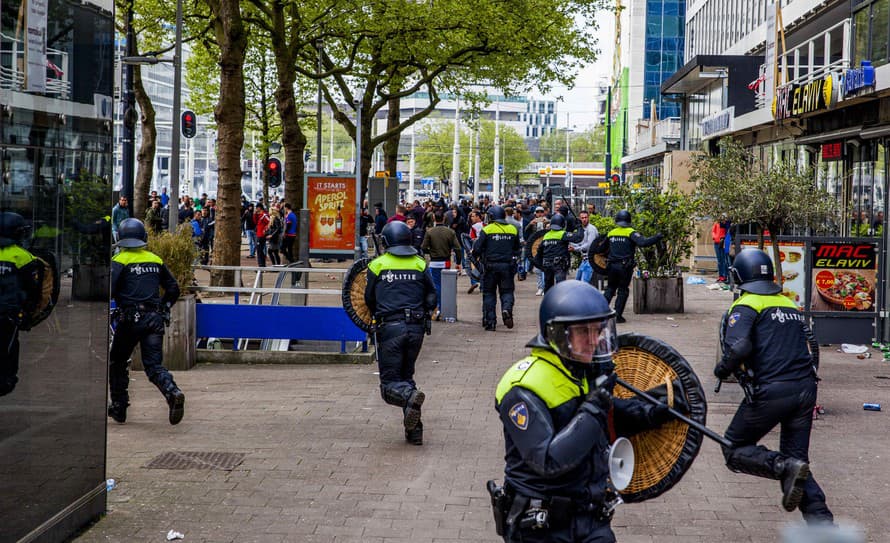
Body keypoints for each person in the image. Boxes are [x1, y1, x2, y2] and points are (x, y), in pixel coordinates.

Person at [492, 280, 684, 542]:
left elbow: (606, 418)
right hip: (541, 527)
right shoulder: (522, 387)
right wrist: (595, 405)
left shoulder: (578, 369)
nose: (594, 341)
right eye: (583, 332)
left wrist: (654, 409)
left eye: (599, 331)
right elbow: (548, 461)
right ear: (557, 333)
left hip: (591, 517)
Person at [715, 249, 834, 525]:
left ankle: (781, 466)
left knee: (733, 447)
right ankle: (822, 524)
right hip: (805, 389)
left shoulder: (745, 304)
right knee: (798, 463)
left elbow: (739, 346)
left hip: (772, 391)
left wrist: (721, 370)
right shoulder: (787, 302)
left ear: (738, 276)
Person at [364, 221, 437, 445]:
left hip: (390, 328)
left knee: (390, 385)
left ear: (386, 241)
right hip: (416, 329)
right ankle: (414, 433)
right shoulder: (419, 263)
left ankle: (408, 397)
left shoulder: (377, 265)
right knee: (406, 377)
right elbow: (432, 296)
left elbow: (368, 298)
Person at [108, 219, 185, 425]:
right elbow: (173, 289)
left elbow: (110, 290)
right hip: (154, 319)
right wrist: (164, 306)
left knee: (117, 361)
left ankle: (119, 407)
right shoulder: (155, 259)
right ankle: (172, 391)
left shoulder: (119, 260)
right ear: (144, 238)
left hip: (130, 320)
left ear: (120, 238)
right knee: (153, 366)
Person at [594, 210, 662, 324]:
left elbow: (600, 249)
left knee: (610, 289)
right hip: (624, 268)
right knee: (622, 290)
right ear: (629, 220)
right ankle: (617, 316)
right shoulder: (631, 232)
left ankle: (600, 314)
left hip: (611, 266)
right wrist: (657, 237)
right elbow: (643, 243)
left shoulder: (611, 233)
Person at [0, 212, 42, 397]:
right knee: (7, 363)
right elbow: (34, 292)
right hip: (8, 318)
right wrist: (28, 315)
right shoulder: (24, 258)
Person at [472, 205, 520, 331]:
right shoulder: (513, 229)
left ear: (492, 216)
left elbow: (477, 249)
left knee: (489, 293)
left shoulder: (487, 229)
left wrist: (475, 257)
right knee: (507, 292)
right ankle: (506, 309)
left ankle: (490, 322)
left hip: (490, 267)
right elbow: (517, 248)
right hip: (507, 267)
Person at [421, 211, 462, 319]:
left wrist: (431, 252)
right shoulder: (450, 232)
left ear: (434, 218)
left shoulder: (430, 232)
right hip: (446, 261)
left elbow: (424, 247)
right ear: (444, 218)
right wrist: (458, 262)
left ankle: (438, 307)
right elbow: (457, 248)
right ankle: (445, 308)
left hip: (434, 262)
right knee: (446, 285)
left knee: (436, 286)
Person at [533, 214, 584, 293]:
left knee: (548, 288)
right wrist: (579, 226)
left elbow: (539, 253)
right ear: (563, 224)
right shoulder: (563, 234)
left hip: (547, 265)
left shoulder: (546, 235)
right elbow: (578, 238)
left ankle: (548, 303)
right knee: (560, 289)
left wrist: (541, 266)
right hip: (559, 265)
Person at [525, 206, 550, 296]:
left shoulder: (547, 221)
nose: (539, 214)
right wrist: (530, 224)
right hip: (535, 248)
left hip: (546, 246)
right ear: (535, 213)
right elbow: (526, 232)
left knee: (546, 268)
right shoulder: (533, 222)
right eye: (538, 212)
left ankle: (546, 287)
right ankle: (540, 287)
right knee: (538, 269)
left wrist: (548, 224)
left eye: (541, 212)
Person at [570, 211, 599, 284]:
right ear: (580, 219)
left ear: (588, 218)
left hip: (590, 260)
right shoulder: (582, 229)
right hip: (584, 260)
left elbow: (589, 245)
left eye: (586, 217)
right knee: (577, 281)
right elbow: (582, 243)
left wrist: (575, 248)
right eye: (582, 218)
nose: (584, 219)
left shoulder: (591, 229)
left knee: (583, 284)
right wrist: (571, 244)